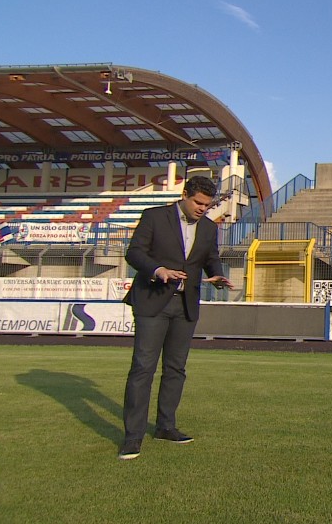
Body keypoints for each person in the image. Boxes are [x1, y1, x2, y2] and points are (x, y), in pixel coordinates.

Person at [117, 176, 233, 460]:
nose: (202, 209)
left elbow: (210, 258)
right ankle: (133, 437)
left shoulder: (208, 228)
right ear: (184, 195)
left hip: (185, 306)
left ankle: (166, 427)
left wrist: (215, 274)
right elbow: (134, 253)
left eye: (207, 205)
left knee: (176, 369)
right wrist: (158, 270)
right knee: (143, 368)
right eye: (198, 203)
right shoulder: (154, 217)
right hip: (152, 302)